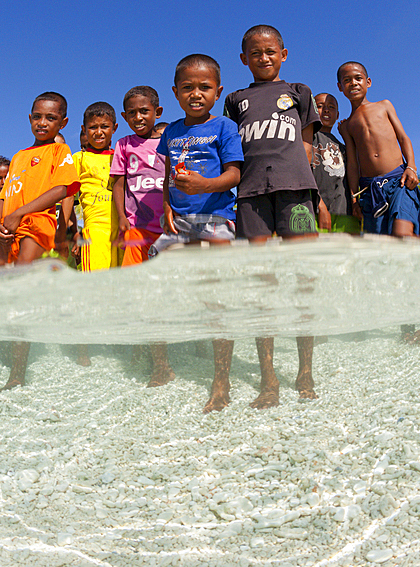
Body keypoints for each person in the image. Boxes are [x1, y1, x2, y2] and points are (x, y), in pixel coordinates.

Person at [222, 25, 321, 411]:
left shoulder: (299, 92)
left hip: (296, 192)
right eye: (255, 53)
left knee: (303, 282)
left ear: (283, 53)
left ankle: (305, 371)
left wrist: (304, 181)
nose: (263, 58)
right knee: (262, 286)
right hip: (250, 196)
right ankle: (268, 378)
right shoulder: (236, 100)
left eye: (270, 51)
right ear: (244, 59)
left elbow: (308, 142)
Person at [154, 54, 243, 411]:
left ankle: (220, 379)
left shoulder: (224, 127)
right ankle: (161, 365)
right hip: (179, 223)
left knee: (216, 296)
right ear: (175, 92)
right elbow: (166, 179)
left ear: (217, 91)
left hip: (215, 219)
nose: (196, 94)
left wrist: (204, 184)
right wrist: (166, 209)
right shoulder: (172, 132)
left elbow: (235, 175)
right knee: (153, 284)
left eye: (204, 87)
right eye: (187, 88)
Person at [0, 92, 81, 397]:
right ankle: (7, 351)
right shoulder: (19, 155)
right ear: (29, 118)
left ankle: (17, 373)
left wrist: (22, 213)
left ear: (62, 121)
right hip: (6, 228)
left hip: (36, 226)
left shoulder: (58, 152)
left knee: (21, 289)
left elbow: (66, 187)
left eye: (51, 118)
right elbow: (3, 194)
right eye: (37, 116)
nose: (42, 122)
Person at [338, 61, 420, 343]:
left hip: (399, 181)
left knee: (403, 237)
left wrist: (412, 167)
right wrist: (354, 196)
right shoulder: (346, 125)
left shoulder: (384, 105)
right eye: (347, 80)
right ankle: (406, 323)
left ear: (368, 81)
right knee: (387, 259)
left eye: (358, 78)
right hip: (370, 191)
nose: (353, 83)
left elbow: (403, 137)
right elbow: (352, 162)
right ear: (340, 87)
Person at [112, 86, 165, 267]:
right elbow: (119, 185)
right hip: (136, 226)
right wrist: (121, 216)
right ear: (125, 117)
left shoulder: (168, 143)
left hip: (167, 227)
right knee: (133, 277)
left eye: (144, 111)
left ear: (157, 112)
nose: (138, 118)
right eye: (131, 113)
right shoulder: (124, 144)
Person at [73, 102, 121, 272]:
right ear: (84, 129)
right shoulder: (79, 159)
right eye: (93, 127)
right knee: (96, 282)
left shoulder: (121, 156)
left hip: (122, 229)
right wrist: (73, 231)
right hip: (94, 232)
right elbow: (67, 197)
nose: (98, 132)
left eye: (104, 126)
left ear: (114, 128)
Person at [312, 93, 360, 233]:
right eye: (320, 106)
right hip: (315, 211)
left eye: (331, 107)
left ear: (337, 115)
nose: (326, 110)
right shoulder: (308, 138)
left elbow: (353, 169)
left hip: (344, 212)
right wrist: (320, 206)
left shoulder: (343, 147)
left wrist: (346, 137)